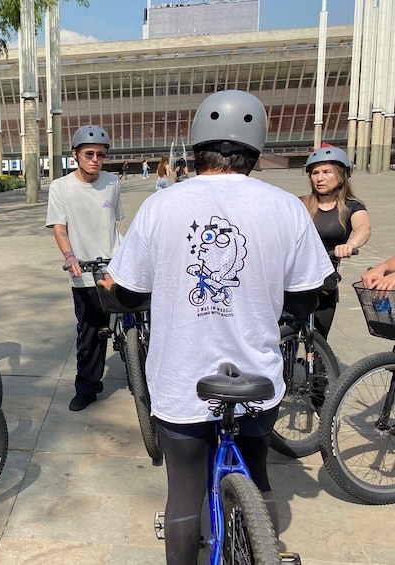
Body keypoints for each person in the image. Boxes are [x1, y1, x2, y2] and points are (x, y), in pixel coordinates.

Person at [101, 90, 332, 565]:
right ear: (256, 148)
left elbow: (125, 292)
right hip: (257, 375)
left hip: (181, 378)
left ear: (195, 145)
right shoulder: (287, 207)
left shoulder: (161, 206)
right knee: (259, 472)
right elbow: (308, 296)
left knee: (184, 490)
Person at [45, 125, 124, 411]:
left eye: (100, 155)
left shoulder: (112, 182)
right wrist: (70, 256)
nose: (95, 159)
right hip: (83, 269)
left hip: (113, 264)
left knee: (140, 316)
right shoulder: (61, 187)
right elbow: (59, 226)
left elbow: (114, 224)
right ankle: (87, 387)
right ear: (75, 155)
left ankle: (139, 362)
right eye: (89, 154)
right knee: (91, 330)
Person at [301, 145, 370, 338]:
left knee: (318, 339)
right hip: (295, 276)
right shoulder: (300, 204)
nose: (319, 178)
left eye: (326, 172)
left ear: (341, 175)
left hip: (325, 279)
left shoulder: (351, 206)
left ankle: (319, 366)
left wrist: (352, 244)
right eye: (315, 172)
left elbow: (363, 228)